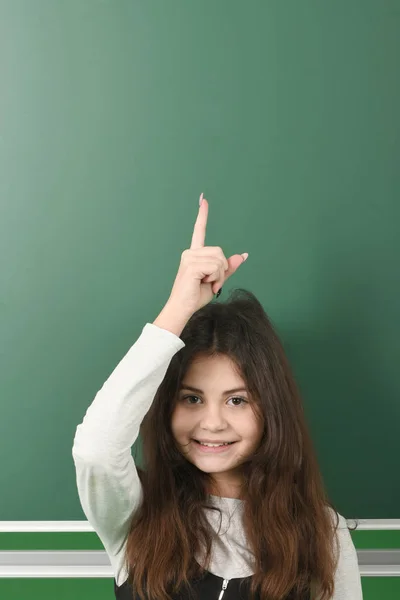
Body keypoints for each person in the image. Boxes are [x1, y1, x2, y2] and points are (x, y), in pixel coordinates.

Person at [72, 194, 363, 600]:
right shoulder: (136, 513)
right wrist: (179, 306)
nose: (212, 422)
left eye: (237, 400)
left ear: (270, 410)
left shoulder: (321, 533)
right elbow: (95, 449)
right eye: (191, 399)